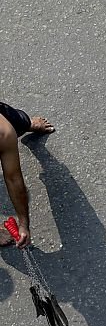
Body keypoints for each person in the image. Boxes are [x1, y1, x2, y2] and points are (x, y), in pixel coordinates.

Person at [1, 101, 56, 248]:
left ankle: (26, 123)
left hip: (5, 127)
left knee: (16, 121)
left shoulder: (3, 132)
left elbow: (13, 179)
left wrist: (24, 224)